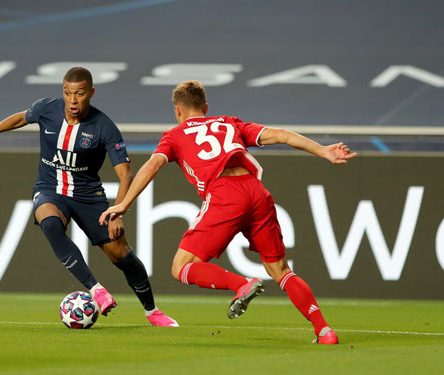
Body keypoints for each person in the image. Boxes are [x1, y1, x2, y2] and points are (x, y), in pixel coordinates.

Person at [100, 80, 357, 343]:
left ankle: (240, 285)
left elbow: (152, 166)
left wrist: (124, 203)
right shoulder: (229, 123)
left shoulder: (175, 136)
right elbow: (281, 135)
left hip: (224, 194)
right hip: (256, 191)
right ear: (206, 107)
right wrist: (324, 151)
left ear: (178, 110)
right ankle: (324, 330)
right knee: (280, 269)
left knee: (182, 267)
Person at [0, 67, 178, 327]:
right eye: (67, 93)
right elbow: (22, 118)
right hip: (50, 188)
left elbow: (125, 174)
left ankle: (152, 312)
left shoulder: (104, 127)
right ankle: (96, 290)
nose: (73, 100)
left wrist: (117, 212)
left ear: (91, 93)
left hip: (88, 196)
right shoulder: (46, 109)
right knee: (50, 223)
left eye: (79, 93)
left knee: (122, 255)